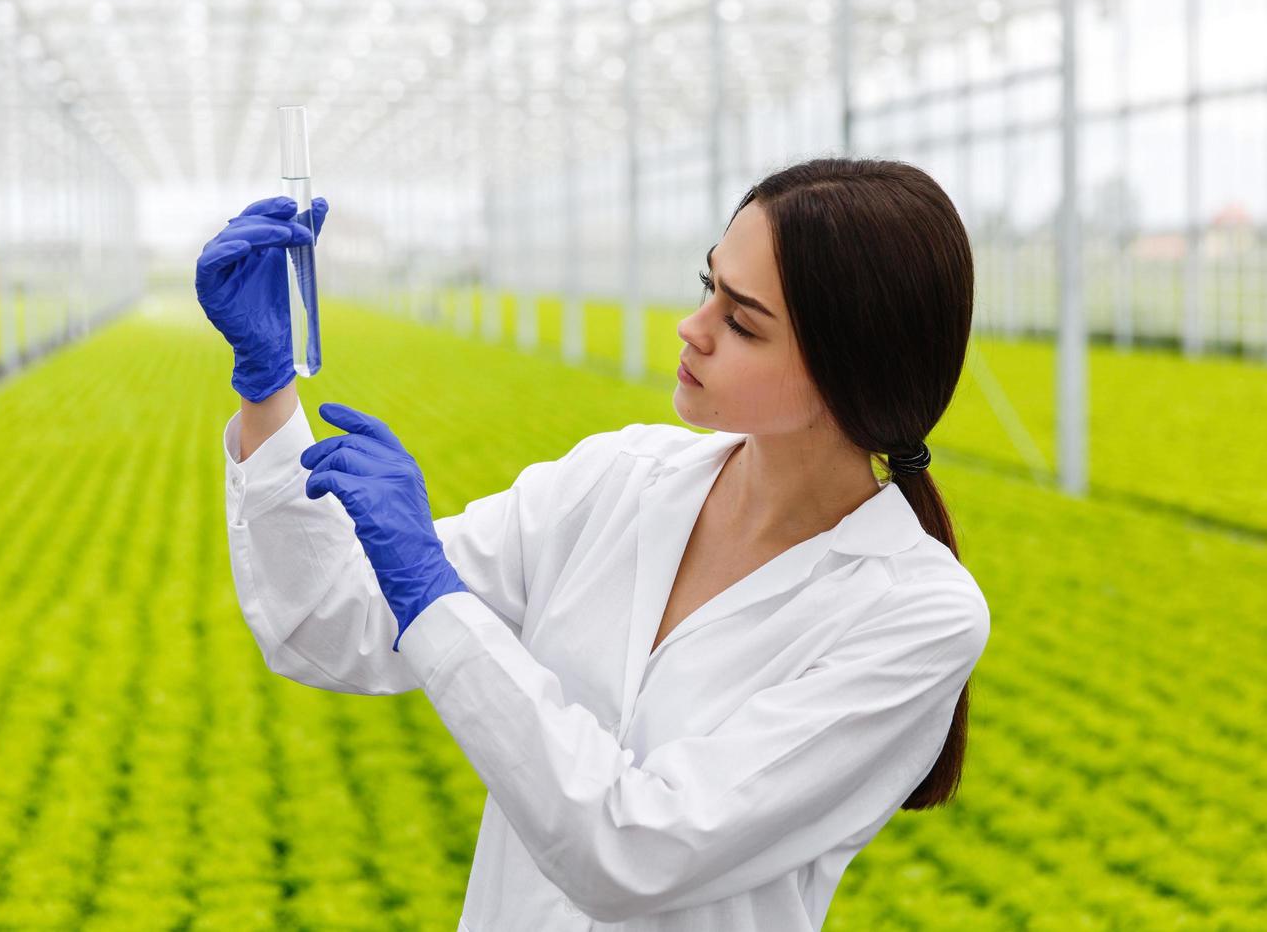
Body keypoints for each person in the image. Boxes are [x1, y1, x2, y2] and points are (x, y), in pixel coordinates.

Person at [194, 158, 990, 931]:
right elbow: (330, 626)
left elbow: (633, 853)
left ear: (852, 369)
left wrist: (432, 593)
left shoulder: (913, 615)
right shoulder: (618, 479)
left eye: (742, 320)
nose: (694, 326)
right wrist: (266, 389)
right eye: (708, 286)